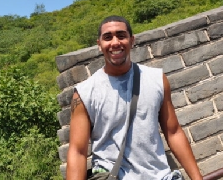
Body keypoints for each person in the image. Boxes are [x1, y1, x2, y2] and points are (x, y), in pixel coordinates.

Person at [66, 15, 203, 180]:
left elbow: (173, 132)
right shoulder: (84, 93)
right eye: (108, 37)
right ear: (99, 44)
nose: (115, 42)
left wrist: (197, 178)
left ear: (132, 40)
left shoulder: (157, 79)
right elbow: (78, 152)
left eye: (121, 35)